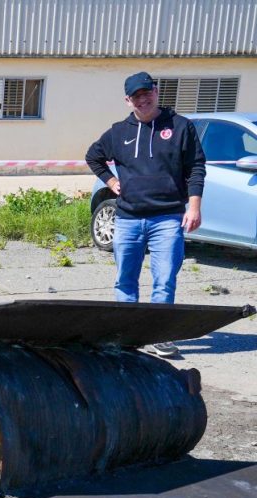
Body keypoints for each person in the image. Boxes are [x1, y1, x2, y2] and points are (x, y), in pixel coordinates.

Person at [86, 71, 205, 357]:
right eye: (136, 96)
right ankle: (127, 335)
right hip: (128, 218)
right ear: (128, 100)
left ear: (156, 91)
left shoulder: (180, 127)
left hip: (167, 218)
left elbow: (196, 168)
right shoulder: (118, 132)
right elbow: (93, 156)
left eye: (147, 93)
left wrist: (194, 207)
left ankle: (158, 336)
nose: (143, 99)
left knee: (164, 279)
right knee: (125, 279)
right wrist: (111, 181)